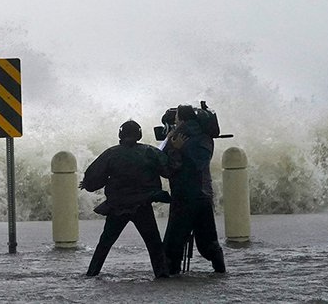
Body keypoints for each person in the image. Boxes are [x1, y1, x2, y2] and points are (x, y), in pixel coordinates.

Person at [80, 120, 172, 278]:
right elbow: (169, 170)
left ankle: (91, 273)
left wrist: (87, 184)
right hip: (142, 205)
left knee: (105, 244)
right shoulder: (150, 152)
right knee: (154, 244)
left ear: (120, 135)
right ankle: (162, 275)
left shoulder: (111, 153)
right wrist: (175, 150)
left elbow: (94, 178)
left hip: (118, 206)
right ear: (139, 134)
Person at [162, 103, 226, 275]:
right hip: (204, 197)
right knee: (208, 242)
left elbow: (168, 169)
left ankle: (173, 275)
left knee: (172, 244)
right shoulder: (205, 138)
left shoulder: (176, 137)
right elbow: (200, 163)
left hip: (183, 197)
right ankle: (221, 271)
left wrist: (174, 149)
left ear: (180, 119)